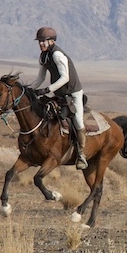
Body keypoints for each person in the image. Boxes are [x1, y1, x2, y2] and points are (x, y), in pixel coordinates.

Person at [30, 26, 88, 170]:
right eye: (40, 41)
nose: (41, 44)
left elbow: (65, 77)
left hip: (73, 93)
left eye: (44, 41)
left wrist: (47, 89)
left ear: (51, 41)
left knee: (78, 121)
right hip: (60, 94)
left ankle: (81, 154)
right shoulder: (44, 56)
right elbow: (41, 77)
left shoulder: (57, 55)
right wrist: (30, 89)